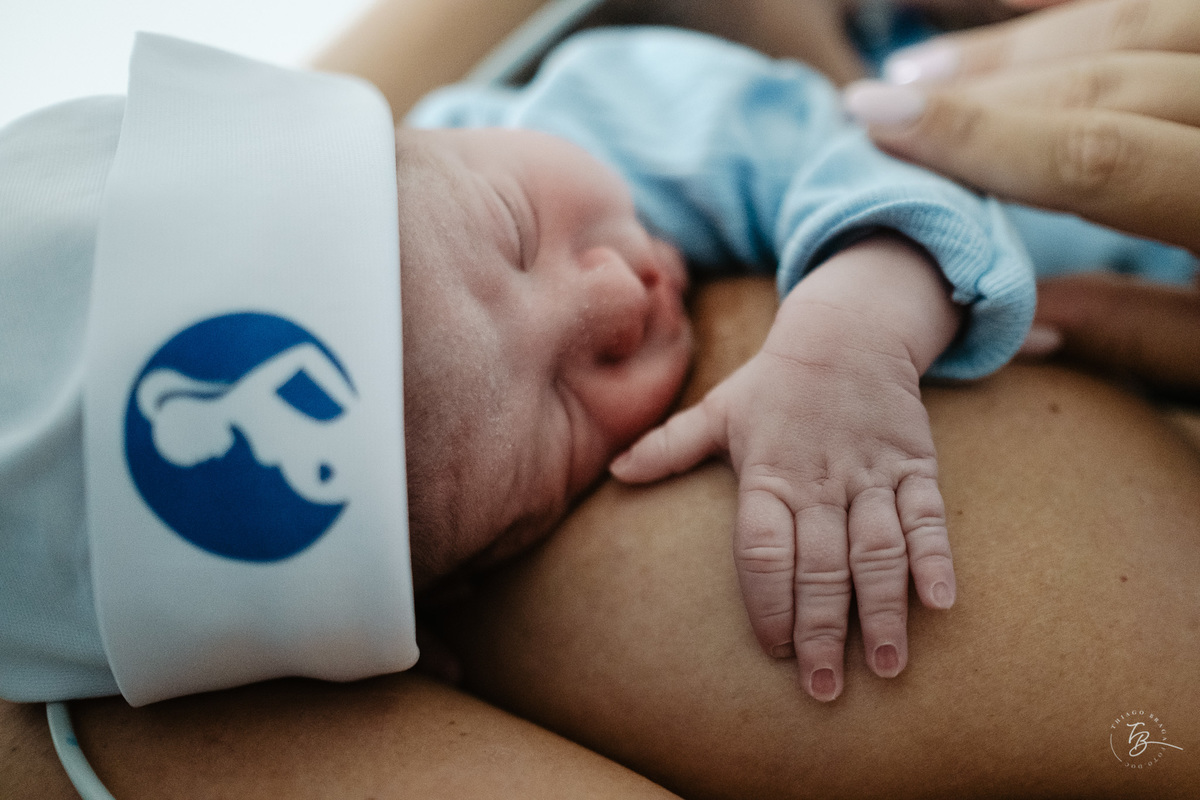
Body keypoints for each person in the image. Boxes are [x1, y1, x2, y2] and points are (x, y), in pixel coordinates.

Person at [2, 0, 1198, 797]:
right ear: (456, 591)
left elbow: (866, 144)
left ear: (414, 136)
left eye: (516, 233)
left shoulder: (569, 108)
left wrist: (845, 341)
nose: (607, 303)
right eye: (557, 414)